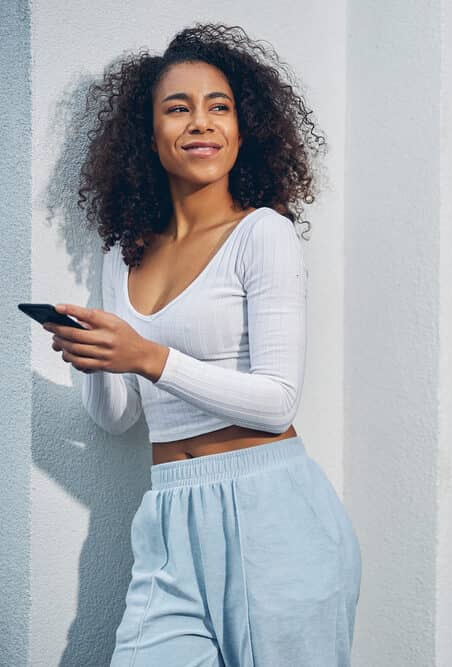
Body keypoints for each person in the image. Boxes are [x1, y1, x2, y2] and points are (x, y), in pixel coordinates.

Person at [42, 23, 361, 666]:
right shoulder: (123, 253)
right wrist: (97, 357)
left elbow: (276, 402)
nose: (201, 123)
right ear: (148, 134)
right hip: (168, 513)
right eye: (178, 108)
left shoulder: (262, 234)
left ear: (245, 130)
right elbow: (116, 419)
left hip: (274, 514)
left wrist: (147, 356)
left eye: (220, 107)